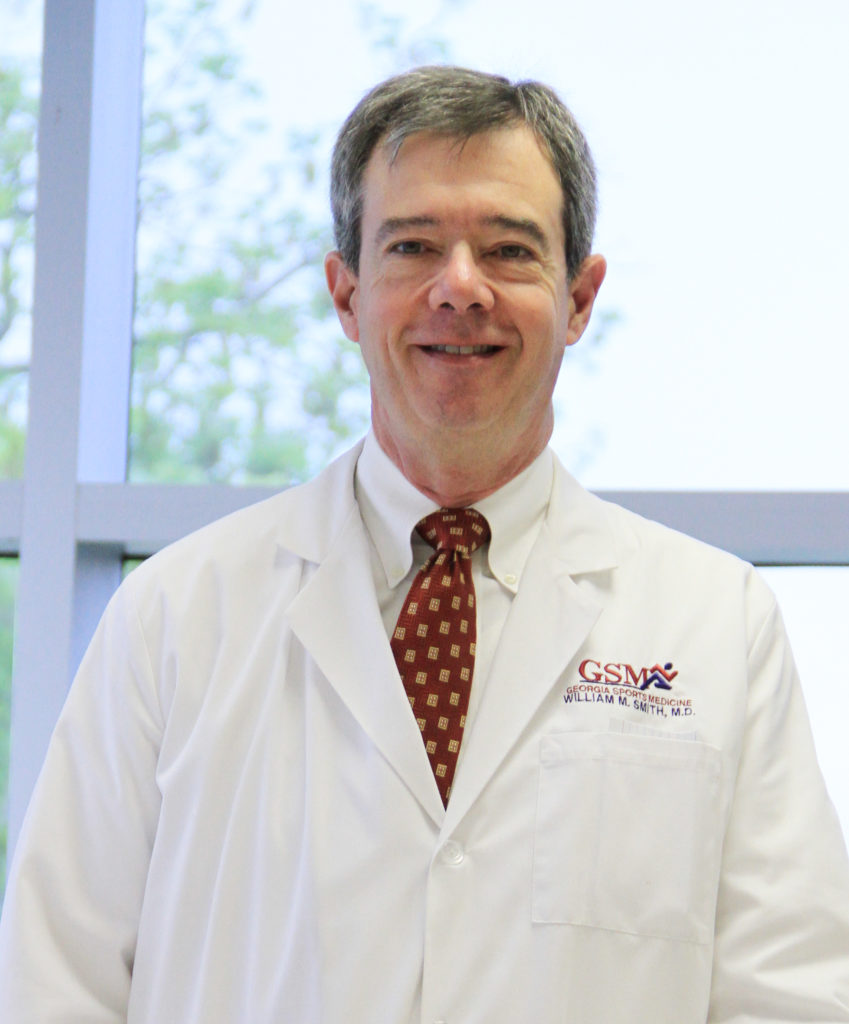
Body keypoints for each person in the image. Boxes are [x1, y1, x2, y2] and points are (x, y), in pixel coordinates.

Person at [1, 65, 848, 1022]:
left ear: (578, 298)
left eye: (509, 249)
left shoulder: (716, 624)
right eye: (412, 247)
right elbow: (55, 981)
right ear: (345, 294)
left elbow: (788, 994)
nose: (460, 287)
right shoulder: (175, 613)